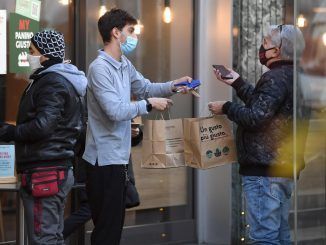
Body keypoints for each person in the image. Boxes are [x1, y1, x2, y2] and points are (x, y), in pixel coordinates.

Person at [83, 8, 192, 245]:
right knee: (106, 231)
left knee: (113, 228)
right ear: (115, 33)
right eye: (130, 31)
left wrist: (174, 85)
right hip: (104, 160)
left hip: (119, 157)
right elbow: (115, 110)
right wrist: (149, 105)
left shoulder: (124, 64)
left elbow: (145, 87)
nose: (134, 36)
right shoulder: (99, 68)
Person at [209, 25, 307, 244]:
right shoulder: (294, 76)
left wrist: (226, 107)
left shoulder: (274, 77)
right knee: (280, 234)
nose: (262, 47)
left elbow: (256, 117)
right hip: (282, 169)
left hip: (265, 172)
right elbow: (266, 106)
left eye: (265, 43)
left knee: (264, 237)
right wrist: (238, 82)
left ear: (278, 49)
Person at [0, 30, 87, 244]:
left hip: (45, 171)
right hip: (54, 169)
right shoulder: (58, 81)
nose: (28, 56)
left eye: (32, 51)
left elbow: (43, 126)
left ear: (45, 55)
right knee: (52, 236)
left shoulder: (52, 82)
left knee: (44, 238)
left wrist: (10, 132)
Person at [63, 125, 143, 239]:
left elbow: (132, 136)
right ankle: (55, 236)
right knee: (95, 212)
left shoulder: (121, 108)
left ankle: (55, 236)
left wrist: (136, 133)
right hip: (96, 169)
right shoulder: (89, 108)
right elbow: (78, 135)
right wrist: (112, 130)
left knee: (109, 219)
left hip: (118, 172)